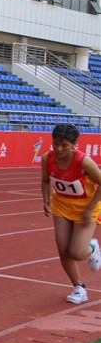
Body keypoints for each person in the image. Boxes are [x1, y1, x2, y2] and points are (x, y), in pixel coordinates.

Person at [41, 124, 101, 304]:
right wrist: (46, 199)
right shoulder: (47, 158)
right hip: (62, 207)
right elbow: (45, 180)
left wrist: (90, 207)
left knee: (77, 253)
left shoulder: (84, 162)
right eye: (55, 144)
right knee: (63, 250)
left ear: (74, 145)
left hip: (85, 209)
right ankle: (79, 287)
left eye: (64, 145)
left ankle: (92, 248)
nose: (59, 149)